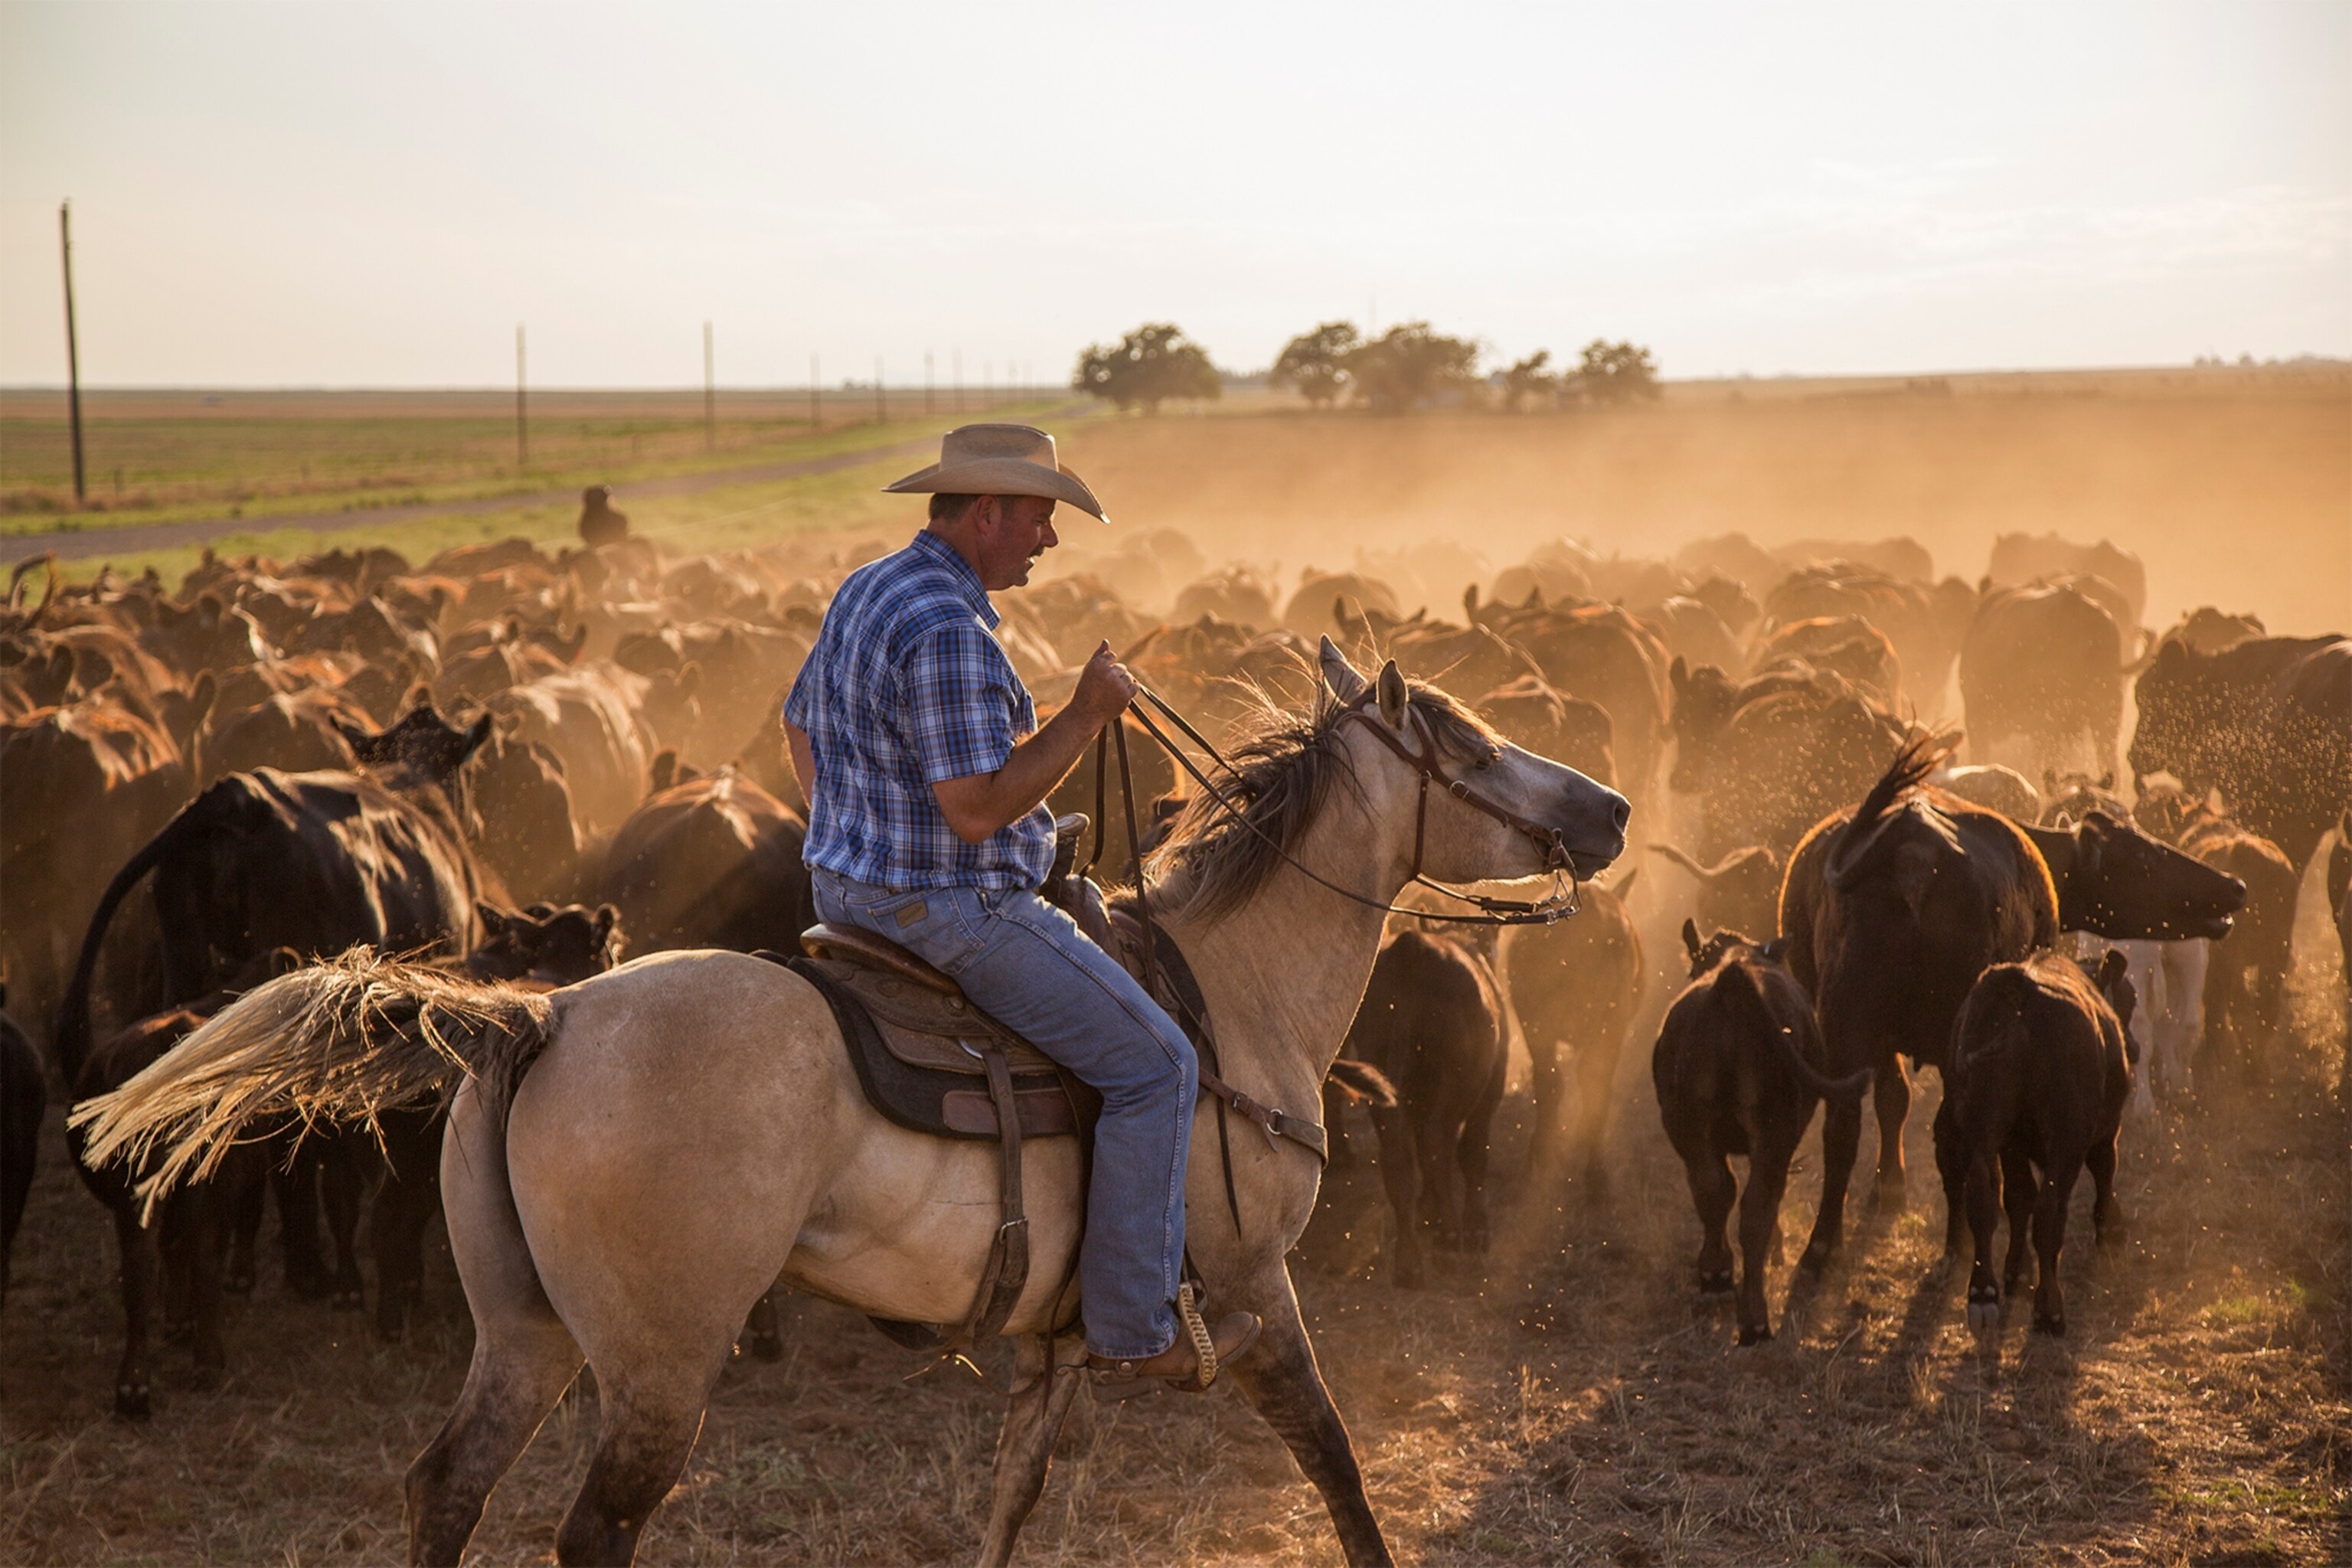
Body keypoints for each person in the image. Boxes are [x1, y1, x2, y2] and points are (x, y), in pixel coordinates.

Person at [782, 423, 1258, 1392]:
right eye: (1041, 517)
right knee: (1157, 1063)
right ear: (987, 510)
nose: (1050, 539)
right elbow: (977, 810)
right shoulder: (952, 628)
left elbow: (799, 724)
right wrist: (1085, 714)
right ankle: (1132, 1326)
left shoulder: (870, 586)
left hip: (847, 889)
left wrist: (852, 828)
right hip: (951, 905)